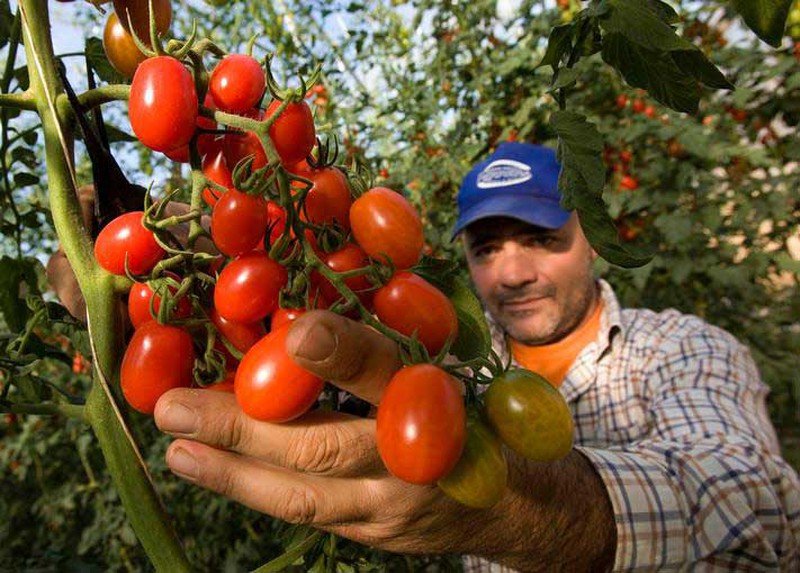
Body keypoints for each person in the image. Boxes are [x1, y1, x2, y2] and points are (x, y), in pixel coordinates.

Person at [54, 144, 800, 571]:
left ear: (591, 239)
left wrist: (521, 508)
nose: (511, 271)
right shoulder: (447, 363)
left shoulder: (682, 348)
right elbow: (266, 363)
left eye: (542, 238)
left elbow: (761, 512)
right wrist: (149, 286)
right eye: (487, 246)